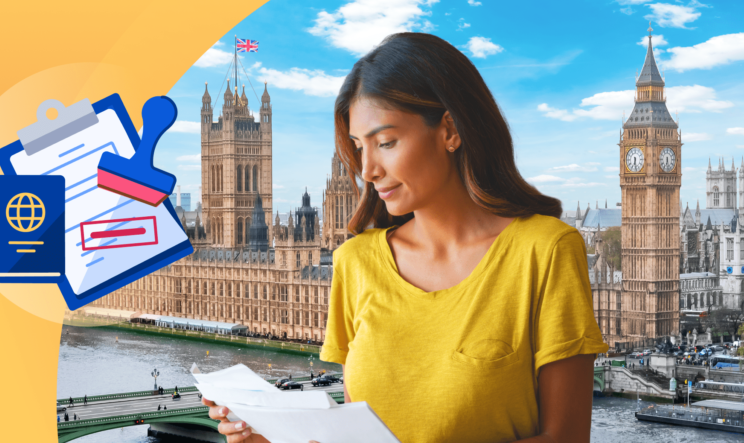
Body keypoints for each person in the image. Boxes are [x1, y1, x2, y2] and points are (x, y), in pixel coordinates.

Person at [204, 32, 608, 442]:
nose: (368, 169)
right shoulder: (355, 262)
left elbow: (567, 438)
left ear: (450, 130)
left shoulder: (546, 251)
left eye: (386, 142)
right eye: (359, 148)